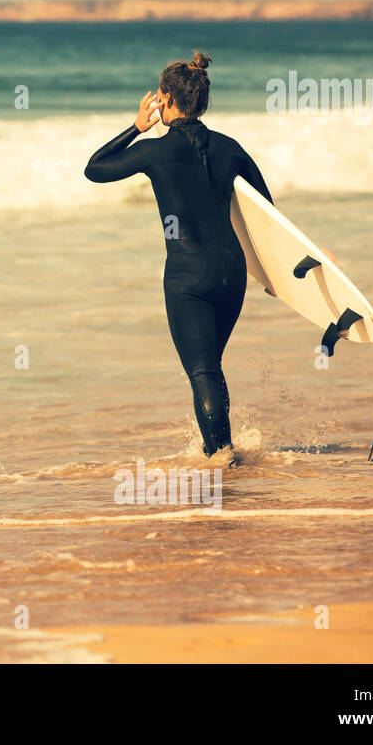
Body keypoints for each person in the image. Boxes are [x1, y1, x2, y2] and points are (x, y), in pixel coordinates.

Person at [84, 51, 273, 457]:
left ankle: (223, 464)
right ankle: (221, 454)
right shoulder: (230, 148)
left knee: (203, 371)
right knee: (209, 368)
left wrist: (136, 127)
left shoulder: (156, 151)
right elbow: (267, 210)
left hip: (189, 278)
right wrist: (272, 273)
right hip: (232, 274)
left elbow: (95, 168)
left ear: (166, 100)